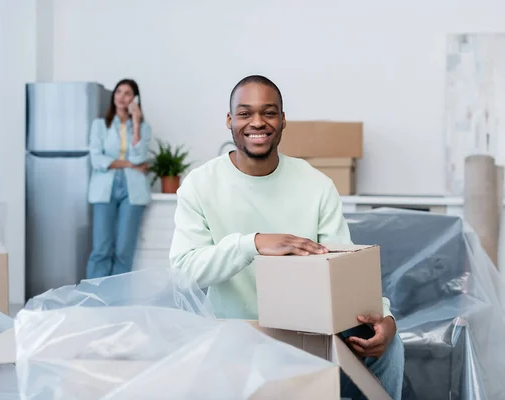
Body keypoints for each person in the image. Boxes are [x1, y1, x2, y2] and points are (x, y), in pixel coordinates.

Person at [169, 75, 404, 399]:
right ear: (229, 120)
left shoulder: (316, 185)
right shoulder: (200, 185)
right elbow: (182, 274)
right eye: (245, 113)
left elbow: (348, 269)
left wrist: (386, 316)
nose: (257, 122)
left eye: (268, 112)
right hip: (235, 333)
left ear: (282, 120)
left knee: (391, 345)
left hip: (305, 332)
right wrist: (251, 244)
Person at [86, 78, 152, 279]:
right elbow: (97, 159)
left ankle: (117, 300)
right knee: (101, 248)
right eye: (118, 92)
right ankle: (93, 297)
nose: (122, 97)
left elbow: (138, 156)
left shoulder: (143, 127)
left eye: (127, 94)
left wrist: (136, 123)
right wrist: (129, 165)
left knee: (124, 250)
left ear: (135, 99)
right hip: (104, 189)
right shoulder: (99, 125)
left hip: (133, 192)